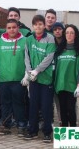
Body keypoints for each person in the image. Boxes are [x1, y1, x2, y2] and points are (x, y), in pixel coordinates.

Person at [0, 19, 29, 135]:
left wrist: (27, 75)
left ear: (18, 28)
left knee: (19, 103)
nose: (12, 30)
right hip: (4, 79)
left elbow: (28, 59)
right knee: (5, 103)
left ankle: (21, 125)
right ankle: (5, 125)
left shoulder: (25, 41)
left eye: (14, 27)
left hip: (19, 79)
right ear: (6, 29)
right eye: (9, 28)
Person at [23, 14, 56, 143]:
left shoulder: (50, 38)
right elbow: (26, 56)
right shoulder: (29, 39)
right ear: (33, 26)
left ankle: (47, 132)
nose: (38, 26)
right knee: (33, 105)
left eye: (40, 24)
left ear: (44, 25)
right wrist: (29, 71)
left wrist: (37, 70)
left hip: (46, 78)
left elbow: (49, 56)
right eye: (36, 24)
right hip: (33, 79)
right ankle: (33, 131)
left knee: (46, 106)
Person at [54, 24, 79, 127]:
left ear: (75, 35)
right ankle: (64, 134)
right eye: (67, 32)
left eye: (72, 33)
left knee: (71, 110)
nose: (69, 35)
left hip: (72, 86)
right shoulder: (59, 50)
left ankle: (73, 132)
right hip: (60, 84)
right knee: (62, 110)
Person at [51, 21, 65, 125]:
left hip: (65, 76)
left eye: (59, 29)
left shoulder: (67, 42)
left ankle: (72, 121)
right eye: (55, 29)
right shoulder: (51, 43)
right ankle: (60, 121)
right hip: (53, 76)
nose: (57, 31)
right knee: (56, 102)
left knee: (68, 102)